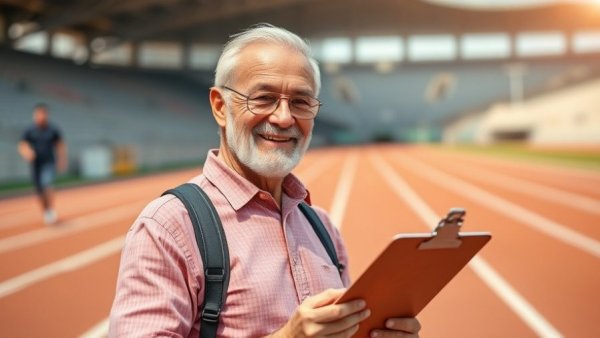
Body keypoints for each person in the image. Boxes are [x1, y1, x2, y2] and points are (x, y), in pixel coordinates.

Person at [109, 24, 421, 337]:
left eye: (301, 101)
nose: (284, 118)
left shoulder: (322, 228)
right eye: (263, 98)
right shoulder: (169, 227)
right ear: (220, 106)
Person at [18, 103, 67, 224]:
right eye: (38, 114)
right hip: (36, 165)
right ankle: (47, 210)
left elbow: (60, 145)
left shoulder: (53, 129)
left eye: (43, 114)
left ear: (47, 115)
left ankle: (50, 211)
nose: (41, 116)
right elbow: (22, 144)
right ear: (35, 115)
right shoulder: (29, 130)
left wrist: (62, 160)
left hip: (49, 163)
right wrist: (26, 152)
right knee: (40, 192)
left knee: (47, 184)